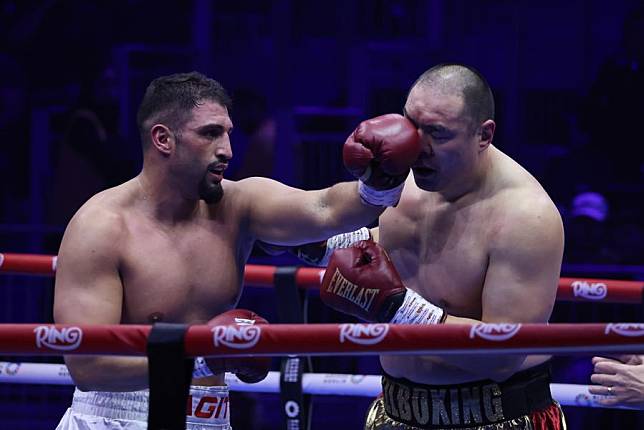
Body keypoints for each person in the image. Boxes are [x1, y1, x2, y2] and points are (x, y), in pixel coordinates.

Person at [53, 71, 422, 429]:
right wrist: (202, 359)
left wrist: (377, 181)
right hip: (118, 416)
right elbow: (88, 367)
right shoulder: (102, 227)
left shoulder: (238, 205)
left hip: (210, 417)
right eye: (210, 134)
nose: (227, 150)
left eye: (228, 134)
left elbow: (326, 208)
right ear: (163, 139)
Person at [301, 64, 566, 429]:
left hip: (497, 417)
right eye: (413, 126)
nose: (417, 147)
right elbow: (408, 249)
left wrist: (396, 307)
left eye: (438, 134)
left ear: (483, 135)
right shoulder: (402, 176)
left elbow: (503, 357)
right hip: (394, 410)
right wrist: (328, 245)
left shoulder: (525, 217)